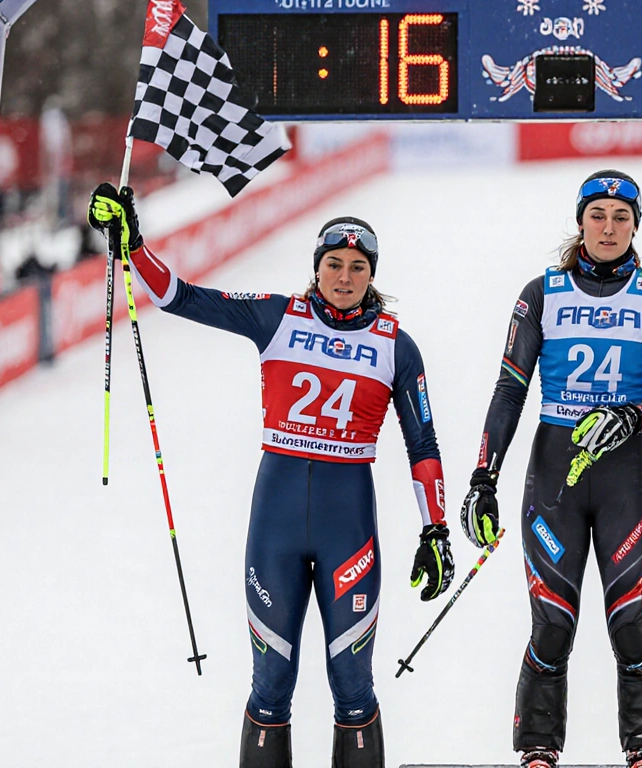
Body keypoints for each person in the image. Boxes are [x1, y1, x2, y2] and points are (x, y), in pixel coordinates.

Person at [87, 184, 455, 768]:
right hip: (276, 525)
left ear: (372, 275)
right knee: (271, 684)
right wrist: (133, 245)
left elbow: (423, 444)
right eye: (333, 263)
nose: (344, 275)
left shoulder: (397, 347)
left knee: (354, 688)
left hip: (348, 528)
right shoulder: (277, 315)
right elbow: (179, 297)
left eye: (358, 267)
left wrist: (435, 530)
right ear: (316, 267)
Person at [459, 171, 642, 768]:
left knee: (632, 623)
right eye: (598, 216)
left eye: (621, 216)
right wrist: (483, 478)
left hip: (627, 477)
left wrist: (634, 416)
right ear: (580, 221)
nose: (609, 228)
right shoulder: (541, 293)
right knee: (552, 623)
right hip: (554, 474)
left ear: (636, 224)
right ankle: (538, 748)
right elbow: (509, 392)